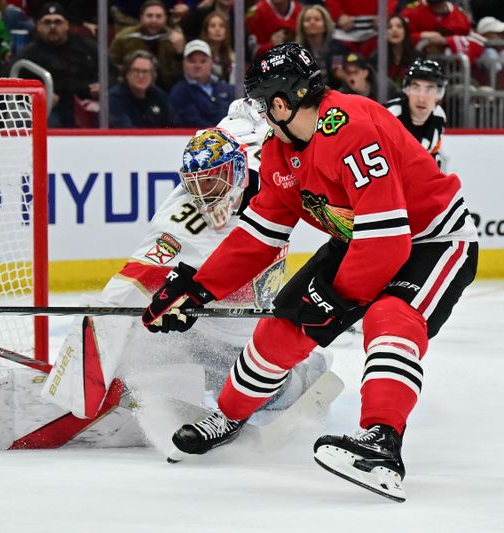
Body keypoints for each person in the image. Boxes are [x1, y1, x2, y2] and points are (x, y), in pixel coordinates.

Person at [141, 43, 478, 502]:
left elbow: (389, 240)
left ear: (281, 103)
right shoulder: (281, 154)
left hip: (431, 240)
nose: (257, 115)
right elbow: (260, 234)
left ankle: (382, 444)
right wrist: (199, 288)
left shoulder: (352, 128)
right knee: (281, 331)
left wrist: (336, 300)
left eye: (261, 105)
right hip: (360, 239)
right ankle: (229, 416)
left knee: (391, 319)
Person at [0, 99, 334, 451]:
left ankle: (303, 371)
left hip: (241, 336)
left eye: (213, 183)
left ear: (238, 170)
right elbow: (130, 284)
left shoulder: (260, 156)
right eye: (195, 185)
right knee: (130, 374)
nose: (205, 196)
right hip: (191, 332)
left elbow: (244, 114)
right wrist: (85, 366)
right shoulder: (185, 221)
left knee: (273, 392)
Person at [14, 2, 109, 128]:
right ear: (38, 26)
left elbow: (112, 72)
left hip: (88, 102)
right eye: (47, 23)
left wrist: (103, 86)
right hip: (51, 108)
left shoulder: (87, 46)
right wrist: (35, 97)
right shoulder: (28, 54)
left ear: (67, 25)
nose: (53, 27)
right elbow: (9, 82)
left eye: (58, 22)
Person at [108, 0, 186, 92]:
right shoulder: (124, 37)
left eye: (158, 16)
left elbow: (182, 71)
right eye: (149, 16)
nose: (154, 20)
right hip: (131, 87)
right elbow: (112, 65)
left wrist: (180, 53)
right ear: (141, 18)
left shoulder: (175, 38)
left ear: (165, 18)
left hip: (166, 88)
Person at [384, 58, 447, 169]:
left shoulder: (439, 117)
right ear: (407, 89)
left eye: (429, 89)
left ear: (439, 94)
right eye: (415, 87)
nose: (421, 98)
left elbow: (432, 155)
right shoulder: (389, 115)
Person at [169, 39, 233, 127]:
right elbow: (193, 121)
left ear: (211, 63)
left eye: (203, 61)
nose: (197, 66)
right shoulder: (179, 92)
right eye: (192, 61)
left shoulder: (228, 89)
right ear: (184, 64)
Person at [109, 50, 176, 128]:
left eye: (145, 71)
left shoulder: (159, 95)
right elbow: (126, 132)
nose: (141, 76)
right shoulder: (114, 98)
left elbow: (174, 125)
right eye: (136, 71)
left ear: (153, 75)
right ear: (127, 73)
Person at [295, 4, 348, 88]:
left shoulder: (337, 48)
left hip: (334, 91)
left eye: (317, 19)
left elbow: (337, 70)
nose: (312, 22)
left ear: (325, 25)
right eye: (307, 20)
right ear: (302, 26)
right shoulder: (295, 51)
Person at [324, 0, 396, 58]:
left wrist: (385, 13)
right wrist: (338, 15)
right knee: (336, 67)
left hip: (374, 37)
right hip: (342, 38)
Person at [369, 15, 423, 89]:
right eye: (389, 27)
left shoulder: (418, 58)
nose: (394, 30)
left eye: (399, 26)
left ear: (405, 31)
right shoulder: (376, 58)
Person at [200, 11, 234, 83]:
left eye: (221, 26)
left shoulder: (232, 57)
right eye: (212, 26)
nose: (217, 29)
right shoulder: (200, 55)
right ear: (206, 31)